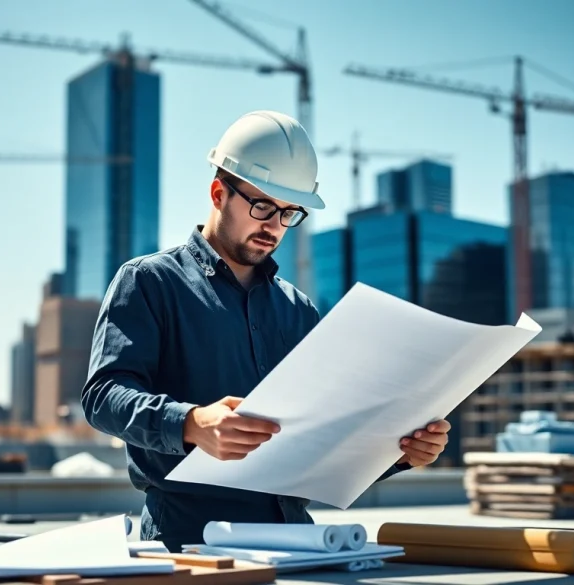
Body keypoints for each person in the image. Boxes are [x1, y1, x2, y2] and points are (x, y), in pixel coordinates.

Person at [81, 110, 451, 552]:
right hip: (190, 543)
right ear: (219, 193)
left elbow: (325, 436)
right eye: (263, 206)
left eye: (289, 213)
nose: (274, 226)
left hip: (298, 541)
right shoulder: (149, 281)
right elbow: (103, 396)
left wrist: (400, 452)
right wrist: (191, 424)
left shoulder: (299, 310)